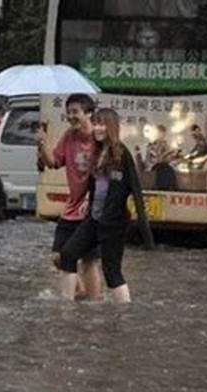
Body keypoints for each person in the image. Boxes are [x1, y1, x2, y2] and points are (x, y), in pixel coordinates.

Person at [57, 108, 154, 304]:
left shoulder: (121, 154)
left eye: (102, 124)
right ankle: (65, 306)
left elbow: (131, 190)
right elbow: (96, 187)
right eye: (95, 123)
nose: (97, 128)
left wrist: (145, 233)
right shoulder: (98, 151)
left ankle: (125, 312)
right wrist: (89, 206)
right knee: (68, 255)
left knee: (112, 272)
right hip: (93, 219)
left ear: (111, 127)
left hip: (113, 224)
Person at [36, 93, 102, 300]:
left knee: (89, 261)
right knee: (58, 256)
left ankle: (94, 305)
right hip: (72, 208)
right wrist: (42, 143)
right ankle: (79, 290)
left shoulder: (99, 139)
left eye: (75, 112)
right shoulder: (68, 136)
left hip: (92, 209)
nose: (71, 116)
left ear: (89, 113)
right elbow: (52, 163)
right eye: (68, 112)